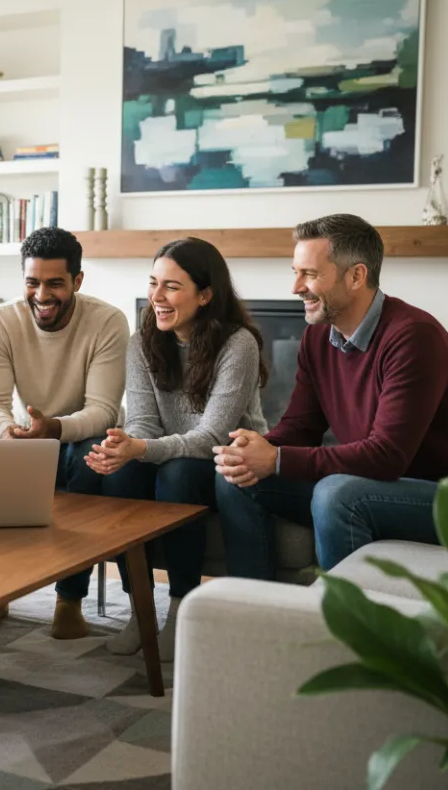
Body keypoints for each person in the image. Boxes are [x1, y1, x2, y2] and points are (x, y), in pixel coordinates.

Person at [212, 213, 448, 576]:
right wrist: (255, 450)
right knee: (236, 478)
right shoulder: (318, 337)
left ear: (356, 276)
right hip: (372, 486)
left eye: (310, 274)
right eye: (295, 272)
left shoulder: (413, 337)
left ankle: (340, 625)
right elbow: (300, 426)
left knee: (337, 494)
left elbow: (387, 456)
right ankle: (252, 609)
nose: (296, 287)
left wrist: (277, 459)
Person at [85, 237, 267, 658]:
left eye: (171, 286)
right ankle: (139, 608)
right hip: (164, 451)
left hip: (222, 463)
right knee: (121, 470)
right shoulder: (143, 340)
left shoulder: (238, 344)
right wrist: (123, 446)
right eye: (153, 283)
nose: (157, 297)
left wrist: (141, 447)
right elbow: (143, 422)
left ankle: (182, 606)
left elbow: (211, 438)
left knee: (178, 471)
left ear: (205, 295)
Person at [0, 226, 130, 639]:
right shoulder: (1, 320)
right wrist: (7, 433)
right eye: (32, 282)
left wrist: (54, 429)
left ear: (78, 281)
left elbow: (102, 410)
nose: (41, 295)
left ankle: (69, 599)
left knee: (88, 457)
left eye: (55, 284)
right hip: (27, 434)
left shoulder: (107, 321)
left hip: (78, 433)